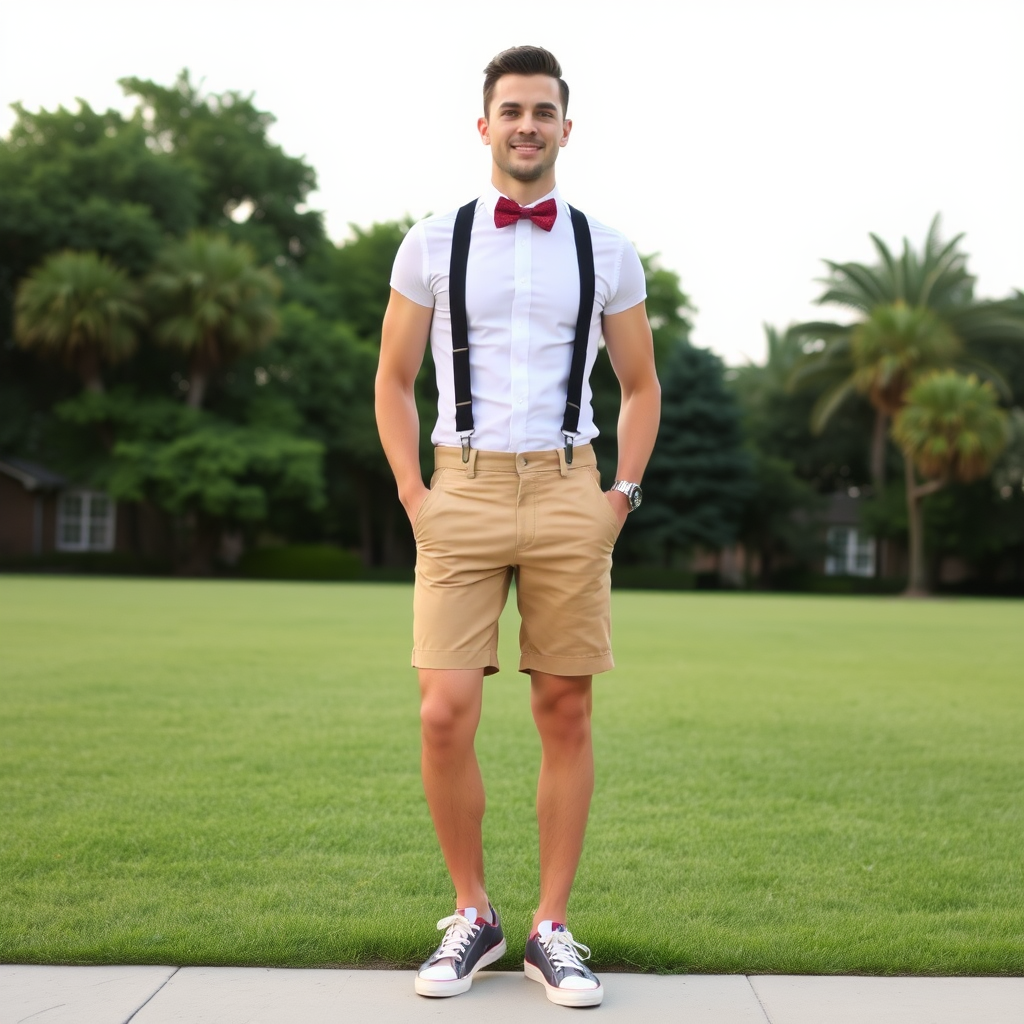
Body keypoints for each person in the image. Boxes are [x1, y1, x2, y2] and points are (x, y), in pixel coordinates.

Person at [375, 45, 660, 1008]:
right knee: (444, 710)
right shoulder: (430, 241)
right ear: (484, 124)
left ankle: (551, 927)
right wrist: (417, 495)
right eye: (512, 110)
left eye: (544, 111)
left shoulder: (607, 247)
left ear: (565, 128)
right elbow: (392, 380)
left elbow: (642, 385)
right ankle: (473, 914)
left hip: (571, 489)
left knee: (564, 711)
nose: (527, 125)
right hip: (459, 491)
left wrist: (620, 495)